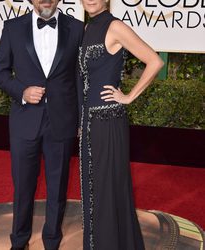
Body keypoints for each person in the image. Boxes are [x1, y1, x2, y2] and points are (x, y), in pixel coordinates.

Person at [0, 0, 84, 249]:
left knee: (57, 187)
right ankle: (19, 241)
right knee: (23, 186)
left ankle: (52, 241)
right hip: (25, 120)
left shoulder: (76, 28)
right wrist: (21, 90)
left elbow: (78, 77)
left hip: (62, 120)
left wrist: (80, 119)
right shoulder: (12, 28)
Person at [78, 0, 164, 249]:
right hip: (88, 124)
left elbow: (154, 61)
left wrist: (128, 96)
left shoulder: (115, 27)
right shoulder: (86, 30)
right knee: (93, 192)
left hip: (107, 121)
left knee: (107, 190)